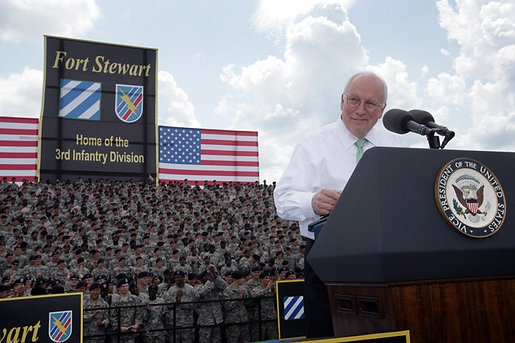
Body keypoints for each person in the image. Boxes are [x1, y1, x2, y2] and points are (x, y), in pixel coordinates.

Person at [274, 72, 405, 338]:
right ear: (342, 100)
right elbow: (283, 199)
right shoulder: (312, 144)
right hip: (328, 257)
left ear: (382, 111)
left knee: (382, 331)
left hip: (384, 257)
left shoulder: (396, 144)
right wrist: (312, 202)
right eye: (354, 100)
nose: (360, 110)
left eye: (370, 104)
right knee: (328, 333)